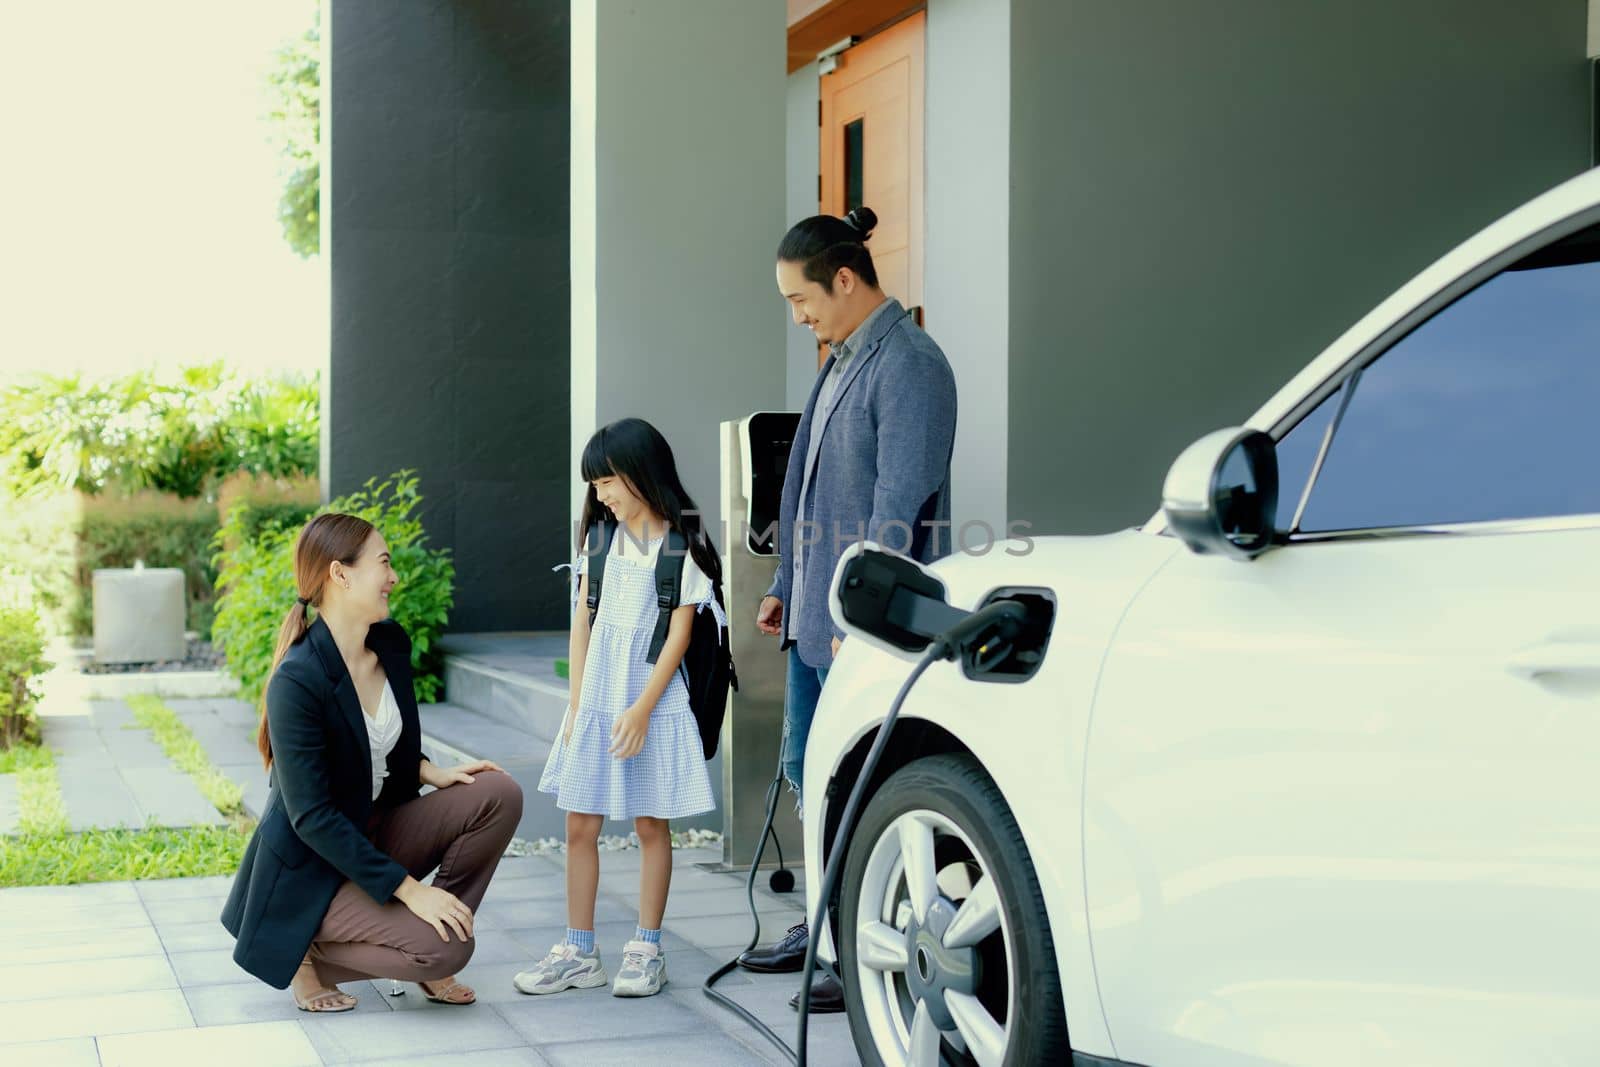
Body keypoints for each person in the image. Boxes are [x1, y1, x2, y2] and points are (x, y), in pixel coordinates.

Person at [739, 207, 958, 1013]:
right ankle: (822, 924)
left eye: (804, 300)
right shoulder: (839, 358)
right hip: (813, 609)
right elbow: (803, 484)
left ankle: (855, 942)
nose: (799, 316)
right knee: (810, 768)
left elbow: (896, 506)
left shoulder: (911, 364)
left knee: (859, 778)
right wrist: (783, 585)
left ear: (844, 278)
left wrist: (854, 614)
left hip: (861, 621)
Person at [221, 513, 523, 1012]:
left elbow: (382, 739)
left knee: (498, 794)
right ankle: (306, 950)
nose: (393, 576)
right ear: (341, 575)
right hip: (315, 865)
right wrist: (410, 891)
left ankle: (432, 926)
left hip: (375, 826)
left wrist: (429, 770)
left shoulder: (389, 643)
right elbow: (312, 818)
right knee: (447, 950)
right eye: (383, 563)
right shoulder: (297, 681)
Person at [513, 417, 723, 999]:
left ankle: (645, 948)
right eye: (596, 484)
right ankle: (580, 951)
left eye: (608, 481)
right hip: (599, 697)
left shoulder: (683, 547)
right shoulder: (599, 543)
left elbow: (679, 636)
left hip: (652, 698)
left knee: (652, 823)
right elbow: (583, 623)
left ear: (642, 474)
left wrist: (642, 709)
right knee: (580, 822)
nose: (601, 494)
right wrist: (580, 705)